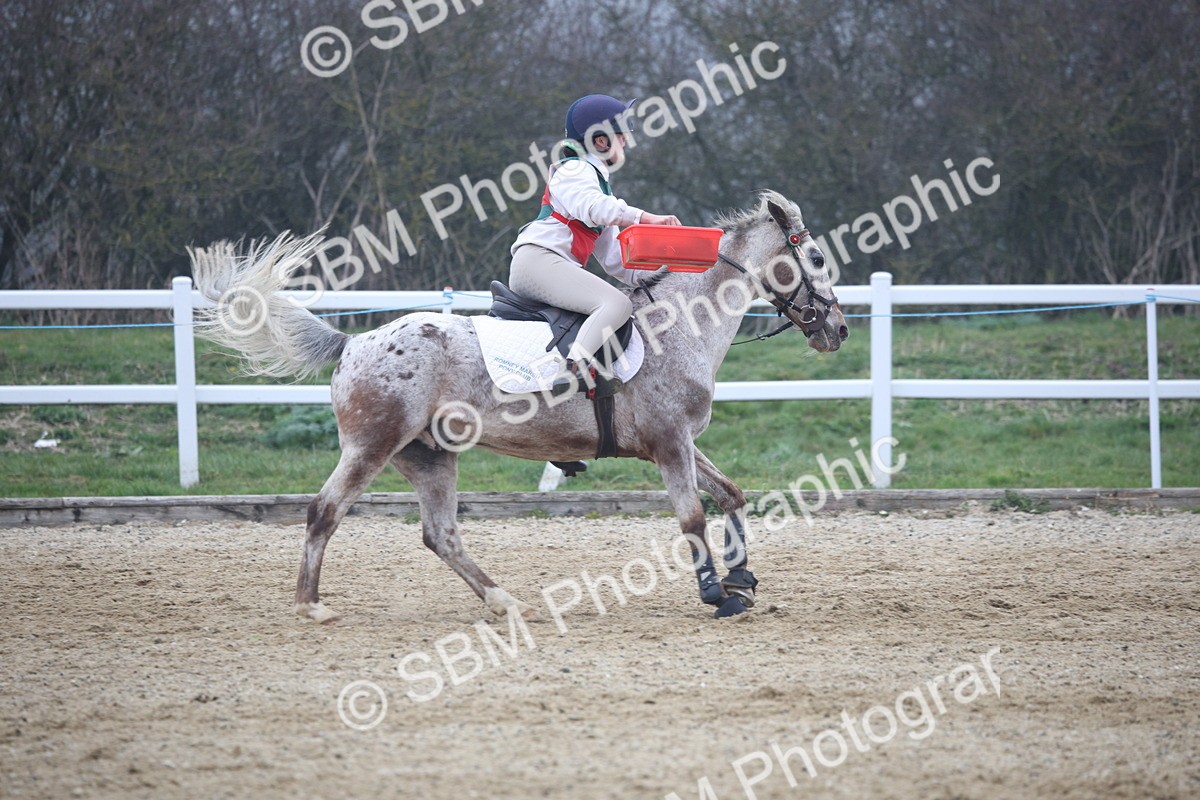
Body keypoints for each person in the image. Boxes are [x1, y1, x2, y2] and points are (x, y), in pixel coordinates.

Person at [508, 94, 681, 397]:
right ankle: (573, 370)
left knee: (616, 302)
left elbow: (619, 262)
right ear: (601, 141)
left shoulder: (598, 187)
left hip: (547, 265)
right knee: (617, 305)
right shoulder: (574, 170)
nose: (626, 140)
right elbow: (597, 208)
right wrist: (645, 218)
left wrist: (670, 271)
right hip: (537, 262)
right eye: (621, 133)